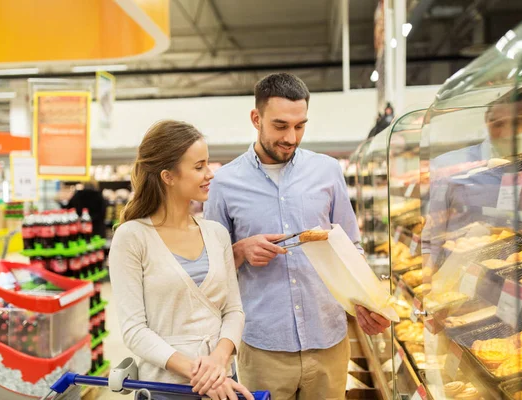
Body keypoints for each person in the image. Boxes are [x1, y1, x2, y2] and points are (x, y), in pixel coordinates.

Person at [204, 72, 390, 400]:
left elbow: (352, 247)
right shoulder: (224, 183)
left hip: (328, 342)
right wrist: (239, 250)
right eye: (280, 126)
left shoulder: (327, 172)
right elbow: (210, 271)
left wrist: (366, 302)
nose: (291, 137)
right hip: (263, 347)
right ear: (256, 118)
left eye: (300, 125)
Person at [108, 120, 254, 400]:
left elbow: (234, 310)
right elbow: (134, 330)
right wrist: (200, 373)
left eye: (207, 164)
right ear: (168, 176)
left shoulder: (217, 234)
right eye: (199, 166)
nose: (210, 174)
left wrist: (220, 360)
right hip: (166, 388)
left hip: (223, 382)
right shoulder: (132, 237)